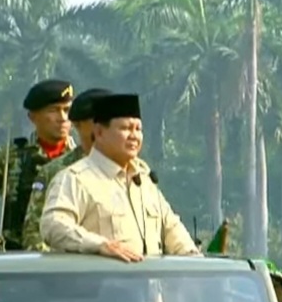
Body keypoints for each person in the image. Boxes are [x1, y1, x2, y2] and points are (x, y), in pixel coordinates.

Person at [40, 93, 199, 260]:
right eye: (125, 128)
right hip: (98, 284)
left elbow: (174, 231)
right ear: (99, 133)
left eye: (138, 129)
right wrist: (100, 245)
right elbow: (53, 225)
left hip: (148, 283)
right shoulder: (75, 179)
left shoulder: (144, 180)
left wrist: (197, 264)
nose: (134, 136)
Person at [0, 80, 77, 251]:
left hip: (71, 259)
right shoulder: (11, 158)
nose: (63, 118)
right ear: (33, 117)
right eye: (53, 111)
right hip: (19, 260)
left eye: (67, 110)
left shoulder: (82, 160)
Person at [20, 87, 108, 250]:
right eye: (95, 121)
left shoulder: (138, 174)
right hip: (70, 267)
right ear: (78, 125)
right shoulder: (55, 172)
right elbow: (34, 234)